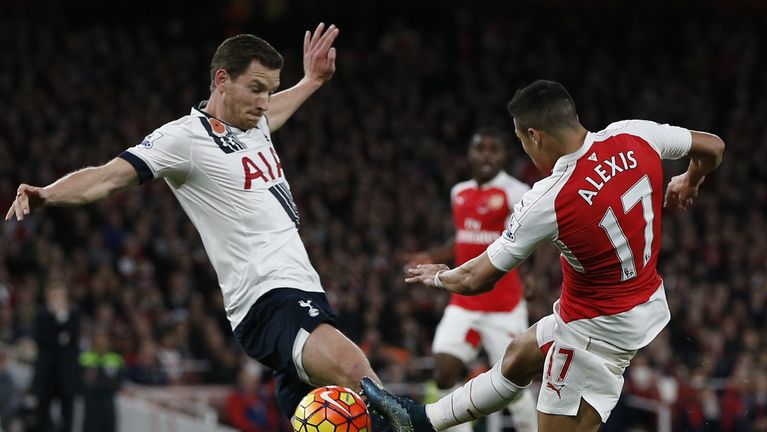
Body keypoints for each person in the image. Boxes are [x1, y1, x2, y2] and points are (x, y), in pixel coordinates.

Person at [5, 23, 387, 424]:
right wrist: (47, 193)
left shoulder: (252, 121)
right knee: (362, 381)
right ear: (222, 80)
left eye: (269, 90)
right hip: (267, 295)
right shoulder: (183, 140)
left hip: (303, 287)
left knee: (345, 417)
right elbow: (106, 177)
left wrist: (311, 81)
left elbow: (273, 111)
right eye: (256, 88)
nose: (264, 101)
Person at [362, 79, 725, 432]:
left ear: (534, 135)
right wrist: (690, 179)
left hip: (591, 335)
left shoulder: (549, 197)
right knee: (520, 354)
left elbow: (476, 278)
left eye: (523, 142)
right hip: (639, 300)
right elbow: (712, 147)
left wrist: (440, 276)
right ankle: (420, 421)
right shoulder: (634, 133)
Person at [405, 127, 537, 432]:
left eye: (493, 149)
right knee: (443, 372)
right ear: (470, 155)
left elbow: (537, 236)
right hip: (463, 300)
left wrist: (535, 276)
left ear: (504, 156)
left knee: (514, 381)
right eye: (480, 149)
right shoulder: (459, 192)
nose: (486, 155)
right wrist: (431, 255)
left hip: (503, 304)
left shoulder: (515, 192)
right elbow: (464, 237)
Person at [30, 281, 81, 432]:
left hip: (66, 375)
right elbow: (42, 339)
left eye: (60, 295)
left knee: (67, 415)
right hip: (46, 375)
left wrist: (61, 318)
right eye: (53, 296)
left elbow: (73, 338)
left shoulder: (73, 315)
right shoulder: (41, 315)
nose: (56, 299)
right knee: (42, 415)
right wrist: (60, 335)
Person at [79, 327, 124, 432]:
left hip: (108, 407)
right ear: (93, 340)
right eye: (98, 338)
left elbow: (117, 384)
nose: (101, 341)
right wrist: (105, 384)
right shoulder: (84, 358)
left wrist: (97, 384)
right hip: (91, 407)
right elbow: (83, 384)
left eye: (104, 338)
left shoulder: (116, 359)